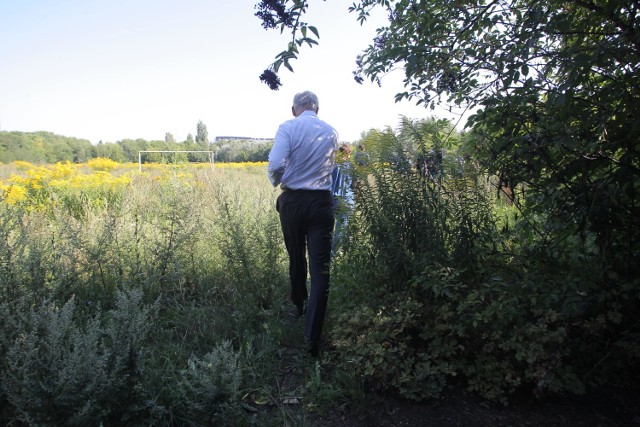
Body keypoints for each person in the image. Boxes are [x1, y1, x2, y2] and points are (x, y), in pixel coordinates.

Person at [267, 91, 339, 357]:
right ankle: (312, 338)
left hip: (294, 202)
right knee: (321, 270)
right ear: (317, 109)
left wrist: (277, 181)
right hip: (321, 203)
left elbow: (275, 163)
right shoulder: (331, 132)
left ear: (294, 108)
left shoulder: (288, 127)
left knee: (296, 257)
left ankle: (299, 306)